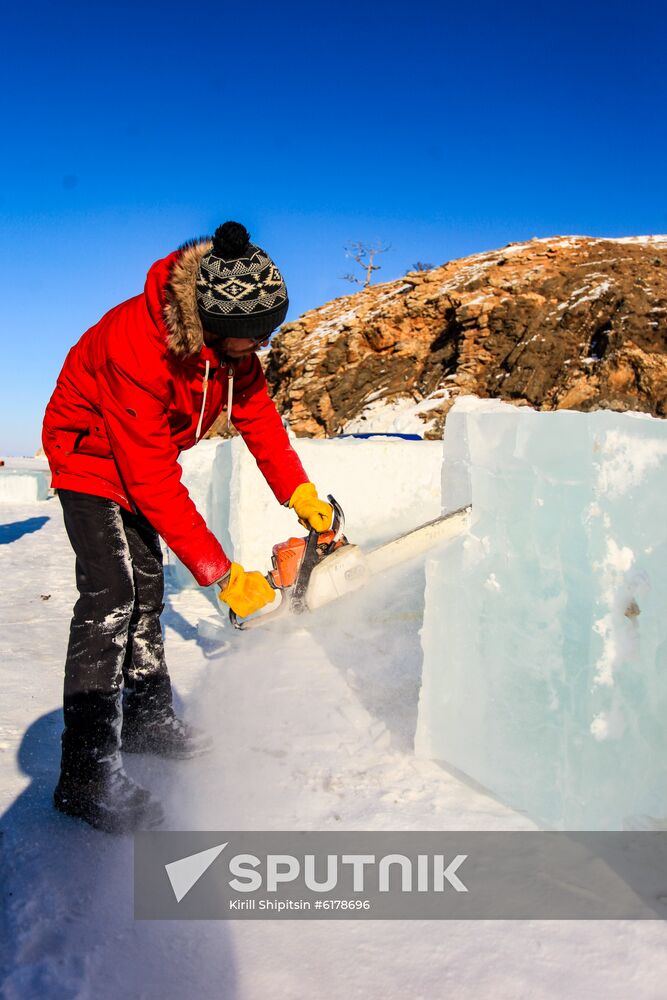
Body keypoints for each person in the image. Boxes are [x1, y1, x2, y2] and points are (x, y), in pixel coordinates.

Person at [41, 221, 333, 834]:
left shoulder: (233, 353)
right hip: (89, 458)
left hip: (140, 460)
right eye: (247, 340)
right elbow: (148, 478)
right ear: (211, 326)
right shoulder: (137, 345)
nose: (257, 349)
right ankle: (85, 776)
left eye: (265, 336)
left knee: (149, 591)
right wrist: (222, 575)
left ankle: (149, 723)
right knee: (111, 595)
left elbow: (260, 421)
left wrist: (298, 492)